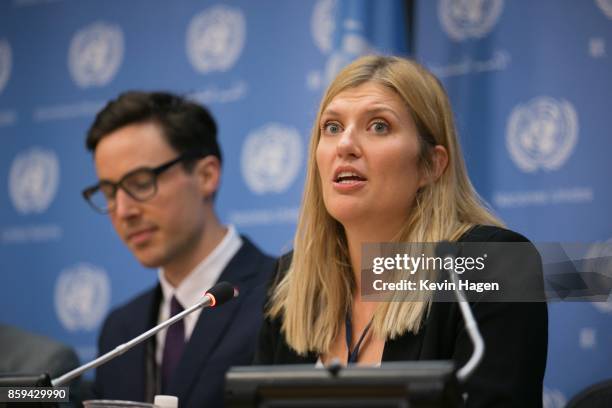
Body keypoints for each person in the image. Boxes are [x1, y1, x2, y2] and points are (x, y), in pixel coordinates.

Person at [254, 55, 548, 407]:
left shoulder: (494, 266)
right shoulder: (291, 282)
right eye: (332, 127)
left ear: (431, 165)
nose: (345, 145)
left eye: (379, 126)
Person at [82, 91, 275, 407]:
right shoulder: (119, 329)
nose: (124, 210)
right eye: (109, 192)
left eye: (141, 183)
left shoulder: (282, 295)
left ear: (206, 176)